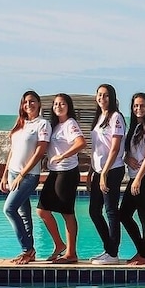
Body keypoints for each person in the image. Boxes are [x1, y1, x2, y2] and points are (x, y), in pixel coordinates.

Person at [0, 90, 51, 264]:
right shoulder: (20, 123)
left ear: (39, 103)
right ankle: (29, 252)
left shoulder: (43, 124)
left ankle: (27, 248)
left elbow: (40, 152)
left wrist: (21, 175)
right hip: (13, 173)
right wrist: (5, 175)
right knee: (23, 213)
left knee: (9, 209)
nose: (28, 104)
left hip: (28, 175)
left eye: (32, 101)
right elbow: (13, 151)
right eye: (25, 102)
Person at [36, 93, 86, 263]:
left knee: (67, 212)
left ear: (68, 106)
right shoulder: (55, 125)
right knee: (42, 210)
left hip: (67, 172)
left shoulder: (70, 123)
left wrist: (63, 156)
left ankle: (71, 253)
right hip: (55, 172)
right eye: (56, 104)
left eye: (62, 103)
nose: (58, 106)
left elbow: (81, 143)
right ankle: (59, 244)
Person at [88, 84, 126, 265]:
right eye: (99, 95)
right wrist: (92, 171)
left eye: (106, 95)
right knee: (94, 211)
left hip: (112, 170)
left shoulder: (116, 117)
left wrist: (104, 173)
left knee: (111, 211)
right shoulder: (99, 117)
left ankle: (113, 254)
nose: (102, 98)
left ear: (112, 98)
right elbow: (96, 148)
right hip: (98, 171)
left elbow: (115, 148)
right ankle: (108, 248)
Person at [120, 92, 145, 265]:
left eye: (142, 105)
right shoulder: (134, 128)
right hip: (135, 176)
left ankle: (144, 256)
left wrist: (138, 179)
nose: (138, 108)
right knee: (124, 215)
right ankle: (142, 251)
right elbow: (129, 153)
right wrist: (126, 158)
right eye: (136, 106)